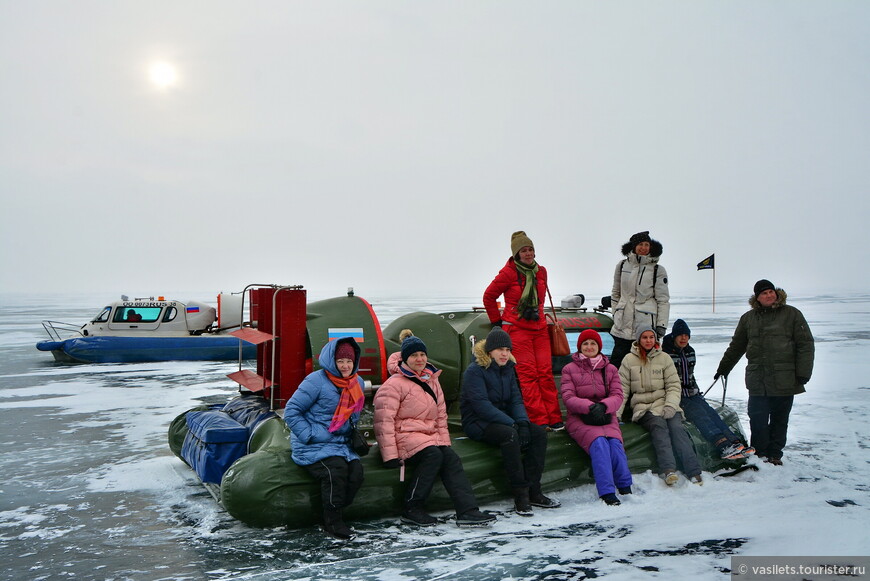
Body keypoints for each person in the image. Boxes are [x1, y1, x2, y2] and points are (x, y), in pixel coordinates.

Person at [374, 330, 496, 527]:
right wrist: (390, 456)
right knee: (433, 455)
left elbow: (441, 416)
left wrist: (444, 443)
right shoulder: (393, 385)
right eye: (414, 355)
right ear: (405, 358)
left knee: (450, 457)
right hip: (405, 436)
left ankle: (468, 511)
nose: (419, 359)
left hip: (428, 436)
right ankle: (412, 507)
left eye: (422, 355)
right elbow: (383, 421)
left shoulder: (432, 380)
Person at [460, 327, 560, 516]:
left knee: (538, 433)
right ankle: (520, 494)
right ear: (490, 351)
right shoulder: (475, 371)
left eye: (507, 350)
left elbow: (515, 399)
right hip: (477, 422)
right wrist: (512, 424)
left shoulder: (508, 369)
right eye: (500, 350)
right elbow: (481, 405)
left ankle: (534, 490)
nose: (505, 354)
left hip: (504, 418)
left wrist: (522, 422)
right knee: (510, 436)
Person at [715, 280, 815, 466]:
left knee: (779, 419)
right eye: (764, 293)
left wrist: (803, 373)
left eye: (771, 291)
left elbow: (805, 345)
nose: (769, 295)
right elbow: (737, 346)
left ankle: (775, 454)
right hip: (757, 378)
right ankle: (760, 454)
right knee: (757, 418)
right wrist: (724, 367)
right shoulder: (748, 318)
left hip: (784, 377)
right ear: (757, 298)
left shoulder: (792, 314)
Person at [284, 337, 366, 540]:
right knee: (334, 471)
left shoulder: (357, 383)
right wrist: (309, 435)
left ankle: (333, 509)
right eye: (340, 361)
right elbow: (292, 411)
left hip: (341, 444)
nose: (345, 366)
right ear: (331, 361)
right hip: (313, 444)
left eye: (349, 361)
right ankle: (333, 523)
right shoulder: (316, 381)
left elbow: (353, 416)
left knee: (356, 473)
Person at [483, 230, 564, 430]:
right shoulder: (508, 272)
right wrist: (498, 323)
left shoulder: (541, 271)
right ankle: (539, 420)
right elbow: (488, 296)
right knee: (528, 376)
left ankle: (554, 418)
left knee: (545, 373)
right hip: (518, 329)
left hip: (540, 328)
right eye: (523, 250)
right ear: (516, 254)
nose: (528, 254)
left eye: (530, 249)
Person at [618, 326, 703, 486]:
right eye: (645, 337)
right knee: (659, 427)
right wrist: (616, 413)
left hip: (665, 403)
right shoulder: (629, 360)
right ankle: (668, 470)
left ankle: (694, 472)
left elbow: (673, 385)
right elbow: (622, 389)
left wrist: (671, 406)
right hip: (644, 407)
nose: (648, 341)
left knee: (677, 429)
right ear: (638, 340)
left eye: (651, 337)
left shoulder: (664, 358)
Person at [662, 319, 753, 460]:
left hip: (692, 393)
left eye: (687, 335)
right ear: (674, 336)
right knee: (699, 414)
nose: (684, 338)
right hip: (676, 396)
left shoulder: (690, 352)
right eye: (680, 335)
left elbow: (690, 376)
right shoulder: (664, 354)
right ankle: (723, 445)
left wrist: (697, 392)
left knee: (711, 412)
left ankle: (735, 443)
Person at [560, 329, 633, 506]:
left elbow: (618, 395)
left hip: (606, 415)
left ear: (599, 346)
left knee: (615, 444)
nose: (589, 347)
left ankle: (625, 486)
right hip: (580, 417)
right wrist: (589, 406)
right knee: (599, 443)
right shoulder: (569, 369)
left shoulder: (610, 369)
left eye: (593, 343)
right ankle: (607, 491)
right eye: (585, 344)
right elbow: (568, 397)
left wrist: (604, 406)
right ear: (580, 347)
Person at [609, 231, 670, 370]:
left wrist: (661, 325)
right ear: (633, 246)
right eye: (640, 244)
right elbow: (615, 293)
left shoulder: (657, 270)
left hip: (646, 328)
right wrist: (616, 313)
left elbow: (663, 300)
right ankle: (616, 392)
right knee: (617, 366)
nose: (644, 247)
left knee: (644, 368)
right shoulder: (622, 265)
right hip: (622, 326)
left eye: (646, 244)